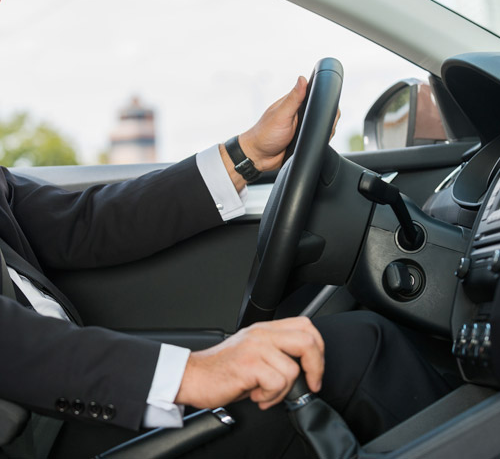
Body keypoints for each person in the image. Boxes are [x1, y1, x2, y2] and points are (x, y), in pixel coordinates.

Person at [0, 77, 451, 459]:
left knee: (333, 350)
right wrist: (195, 374)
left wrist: (247, 153)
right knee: (361, 354)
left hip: (62, 384)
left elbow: (81, 225)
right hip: (32, 428)